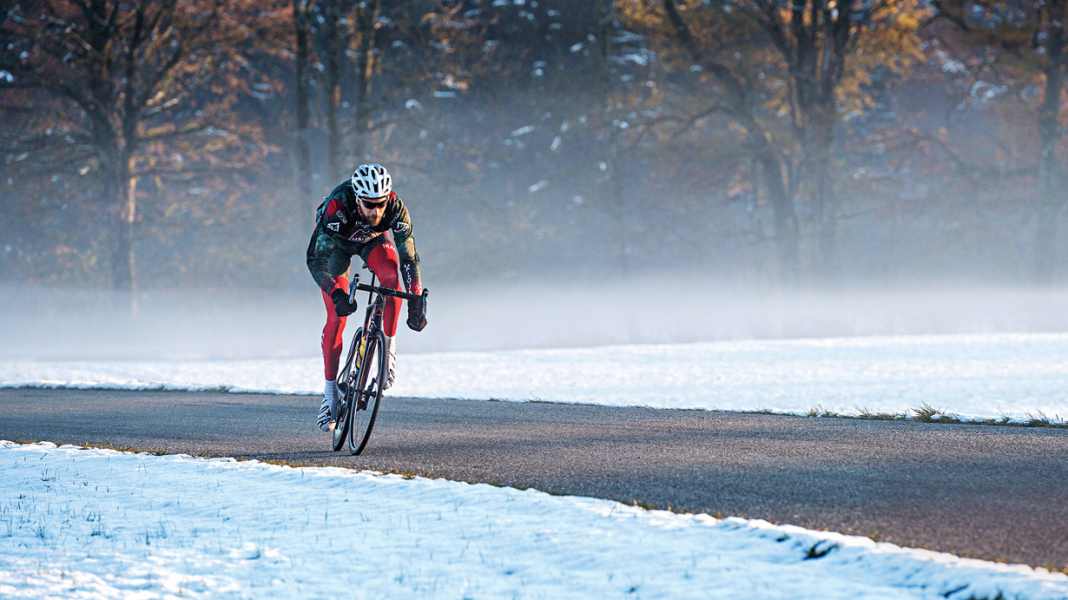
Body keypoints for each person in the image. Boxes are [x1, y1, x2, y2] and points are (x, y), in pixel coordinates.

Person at [306, 163, 426, 432]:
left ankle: (389, 351)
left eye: (380, 204)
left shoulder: (396, 208)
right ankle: (329, 395)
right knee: (337, 318)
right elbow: (316, 260)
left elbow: (409, 256)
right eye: (369, 205)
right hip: (335, 247)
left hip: (372, 241)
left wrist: (416, 298)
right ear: (357, 199)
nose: (375, 211)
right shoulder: (338, 206)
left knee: (391, 278)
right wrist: (336, 293)